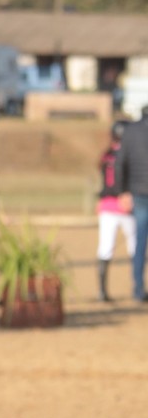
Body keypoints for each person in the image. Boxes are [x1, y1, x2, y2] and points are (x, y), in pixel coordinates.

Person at [95, 121, 135, 302]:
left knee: (105, 249)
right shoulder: (127, 154)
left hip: (107, 206)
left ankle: (102, 292)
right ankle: (138, 288)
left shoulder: (106, 155)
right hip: (125, 206)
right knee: (135, 249)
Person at [114, 104, 148, 302]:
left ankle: (138, 288)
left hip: (138, 192)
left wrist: (122, 191)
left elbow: (120, 163)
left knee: (140, 243)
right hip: (139, 192)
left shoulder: (130, 131)